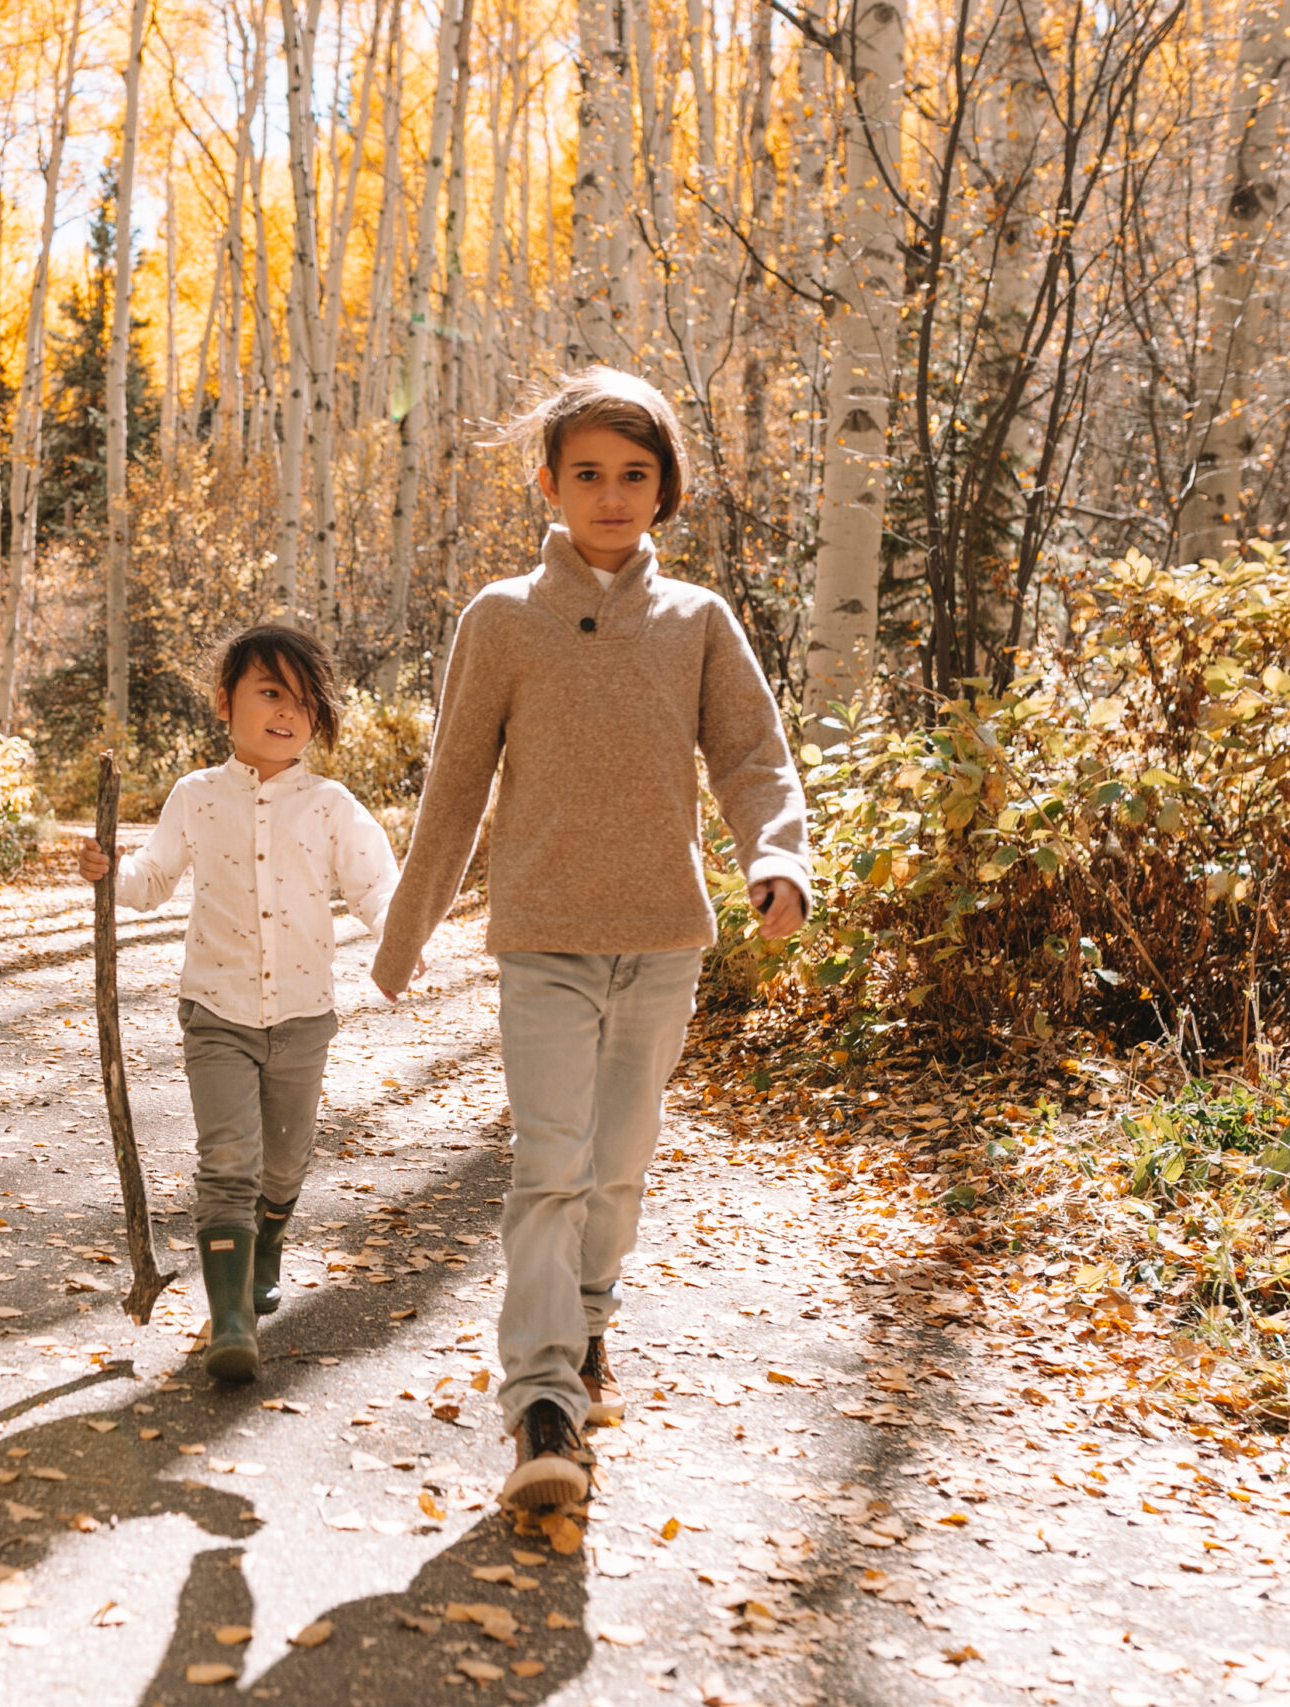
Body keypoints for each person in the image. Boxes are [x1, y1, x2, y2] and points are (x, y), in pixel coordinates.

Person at [371, 367, 811, 1507]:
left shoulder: (696, 622)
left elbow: (754, 757)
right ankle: (542, 1409)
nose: (611, 497)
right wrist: (407, 927)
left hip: (664, 939)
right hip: (543, 939)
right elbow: (455, 783)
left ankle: (590, 1322)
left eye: (634, 475)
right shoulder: (502, 619)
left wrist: (776, 853)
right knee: (548, 1166)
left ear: (663, 489)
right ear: (548, 487)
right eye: (587, 476)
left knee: (615, 1173)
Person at [77, 625, 400, 1382]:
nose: (288, 712)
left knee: (282, 1163)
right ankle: (229, 1321)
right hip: (215, 1011)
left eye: (304, 700)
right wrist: (108, 874)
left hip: (302, 1015)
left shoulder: (331, 806)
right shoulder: (196, 796)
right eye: (270, 692)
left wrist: (398, 939)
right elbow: (151, 881)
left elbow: (374, 885)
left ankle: (270, 1237)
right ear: (226, 702)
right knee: (228, 1159)